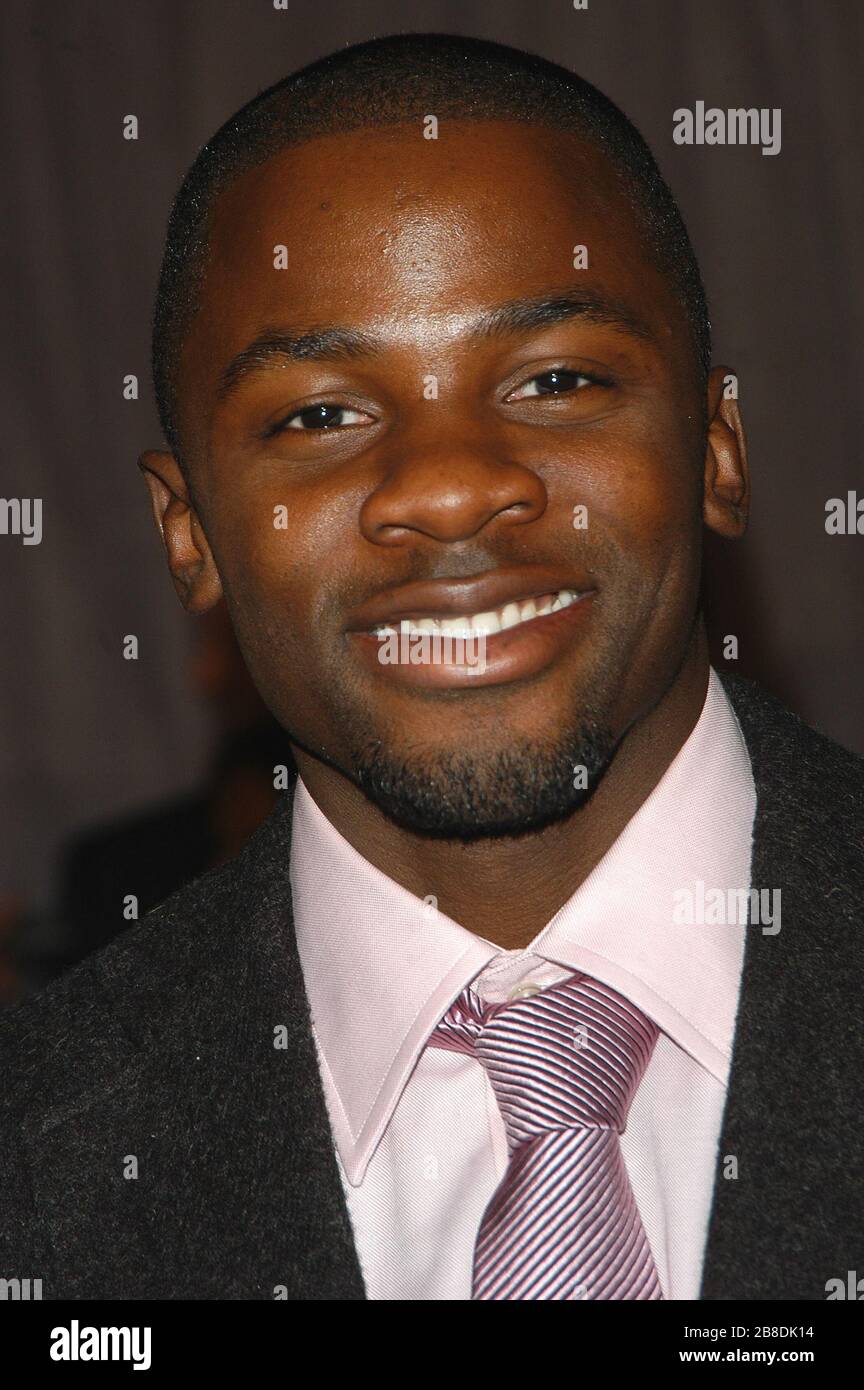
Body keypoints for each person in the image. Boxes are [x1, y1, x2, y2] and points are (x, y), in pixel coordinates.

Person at [1, 32, 861, 1302]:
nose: (451, 488)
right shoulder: (42, 1161)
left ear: (717, 448)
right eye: (320, 415)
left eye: (556, 379)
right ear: (190, 538)